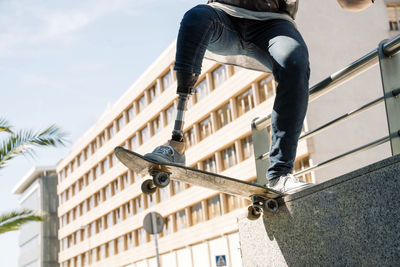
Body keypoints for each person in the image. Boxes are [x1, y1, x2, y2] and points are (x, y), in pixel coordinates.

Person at [144, 0, 374, 193]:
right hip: (224, 16)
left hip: (274, 25)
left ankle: (280, 174)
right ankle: (176, 145)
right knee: (195, 18)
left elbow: (349, 2)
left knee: (294, 61)